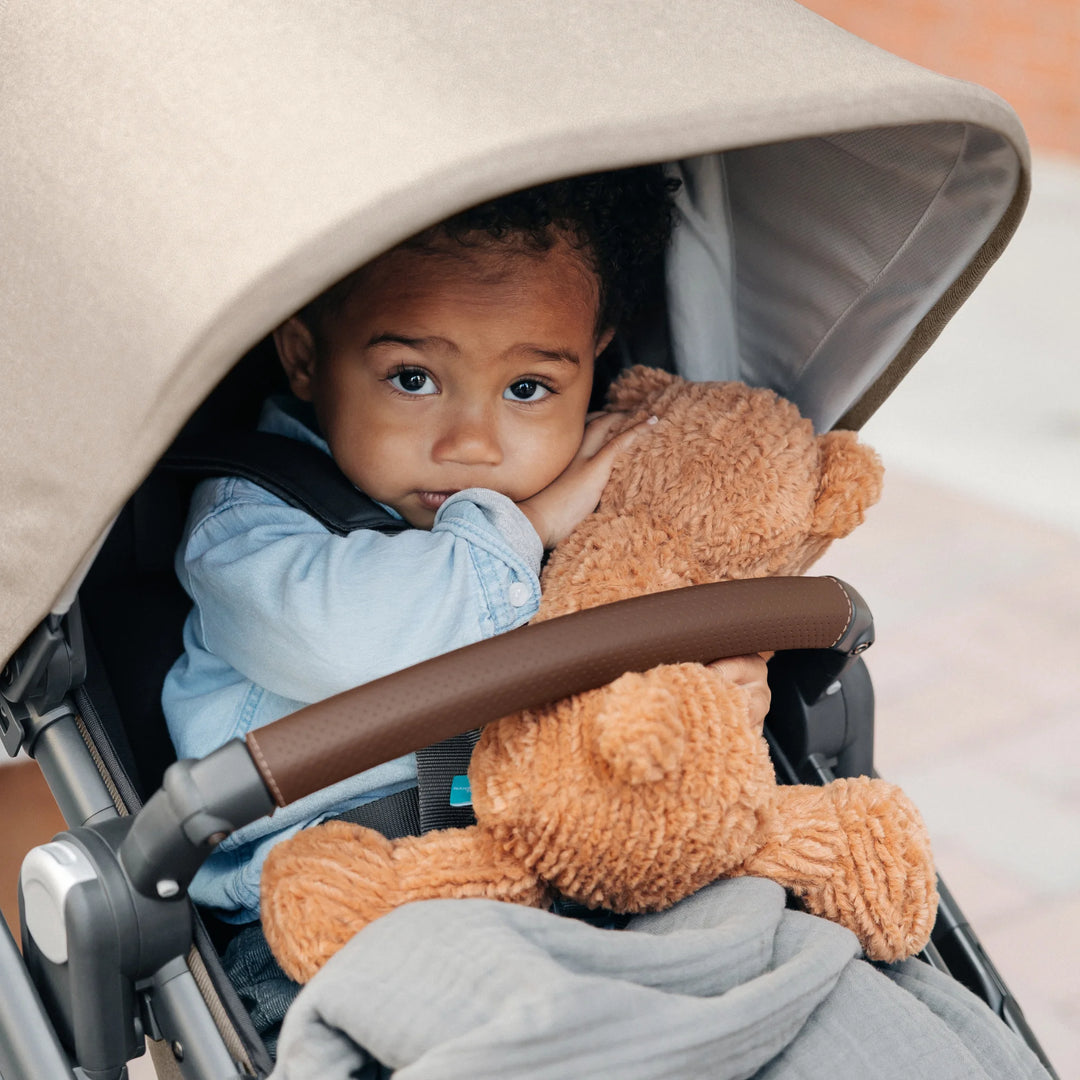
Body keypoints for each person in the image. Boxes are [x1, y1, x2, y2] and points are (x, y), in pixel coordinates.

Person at [163, 166, 723, 1049]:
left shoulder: (580, 484)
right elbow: (365, 640)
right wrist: (528, 525)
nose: (472, 444)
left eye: (529, 389)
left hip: (545, 870)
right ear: (305, 355)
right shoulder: (247, 523)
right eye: (413, 378)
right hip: (333, 916)